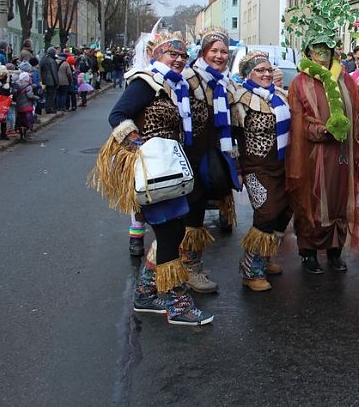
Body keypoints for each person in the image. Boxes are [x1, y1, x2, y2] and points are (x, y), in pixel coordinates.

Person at [94, 30, 213, 326]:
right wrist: (140, 147)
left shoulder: (175, 87)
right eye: (172, 53)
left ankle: (146, 294)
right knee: (171, 235)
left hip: (172, 172)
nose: (179, 59)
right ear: (156, 55)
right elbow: (117, 116)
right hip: (156, 173)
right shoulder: (146, 81)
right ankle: (177, 303)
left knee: (170, 233)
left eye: (183, 55)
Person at [286, 32, 359, 274]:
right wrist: (321, 130)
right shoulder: (300, 82)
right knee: (311, 200)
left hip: (342, 153)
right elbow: (297, 119)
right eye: (316, 50)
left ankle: (335, 251)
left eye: (326, 50)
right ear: (308, 52)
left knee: (339, 199)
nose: (321, 55)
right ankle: (308, 252)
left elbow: (357, 114)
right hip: (313, 153)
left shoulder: (345, 79)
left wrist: (347, 130)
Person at [230, 51, 293, 291]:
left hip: (281, 165)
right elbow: (230, 135)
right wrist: (235, 167)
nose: (266, 74)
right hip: (256, 168)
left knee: (284, 211)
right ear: (248, 74)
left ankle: (264, 259)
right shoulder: (239, 99)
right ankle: (250, 270)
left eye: (268, 70)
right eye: (260, 70)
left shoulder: (280, 97)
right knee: (266, 212)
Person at [187, 28, 241, 293]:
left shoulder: (226, 82)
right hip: (190, 157)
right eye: (214, 51)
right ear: (203, 53)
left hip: (213, 155)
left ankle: (190, 267)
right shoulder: (189, 79)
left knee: (195, 214)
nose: (219, 56)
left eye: (223, 51)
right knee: (188, 216)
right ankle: (184, 272)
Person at [13, 71, 38, 140]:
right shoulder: (28, 86)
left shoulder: (17, 85)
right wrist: (35, 97)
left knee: (20, 120)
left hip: (19, 106)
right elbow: (29, 96)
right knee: (28, 120)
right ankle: (26, 133)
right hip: (27, 106)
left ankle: (20, 133)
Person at [39, 47, 59, 113]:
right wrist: (56, 82)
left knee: (46, 95)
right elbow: (54, 72)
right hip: (51, 81)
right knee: (51, 96)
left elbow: (40, 69)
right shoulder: (52, 61)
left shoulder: (43, 59)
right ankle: (49, 109)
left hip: (44, 80)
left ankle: (47, 108)